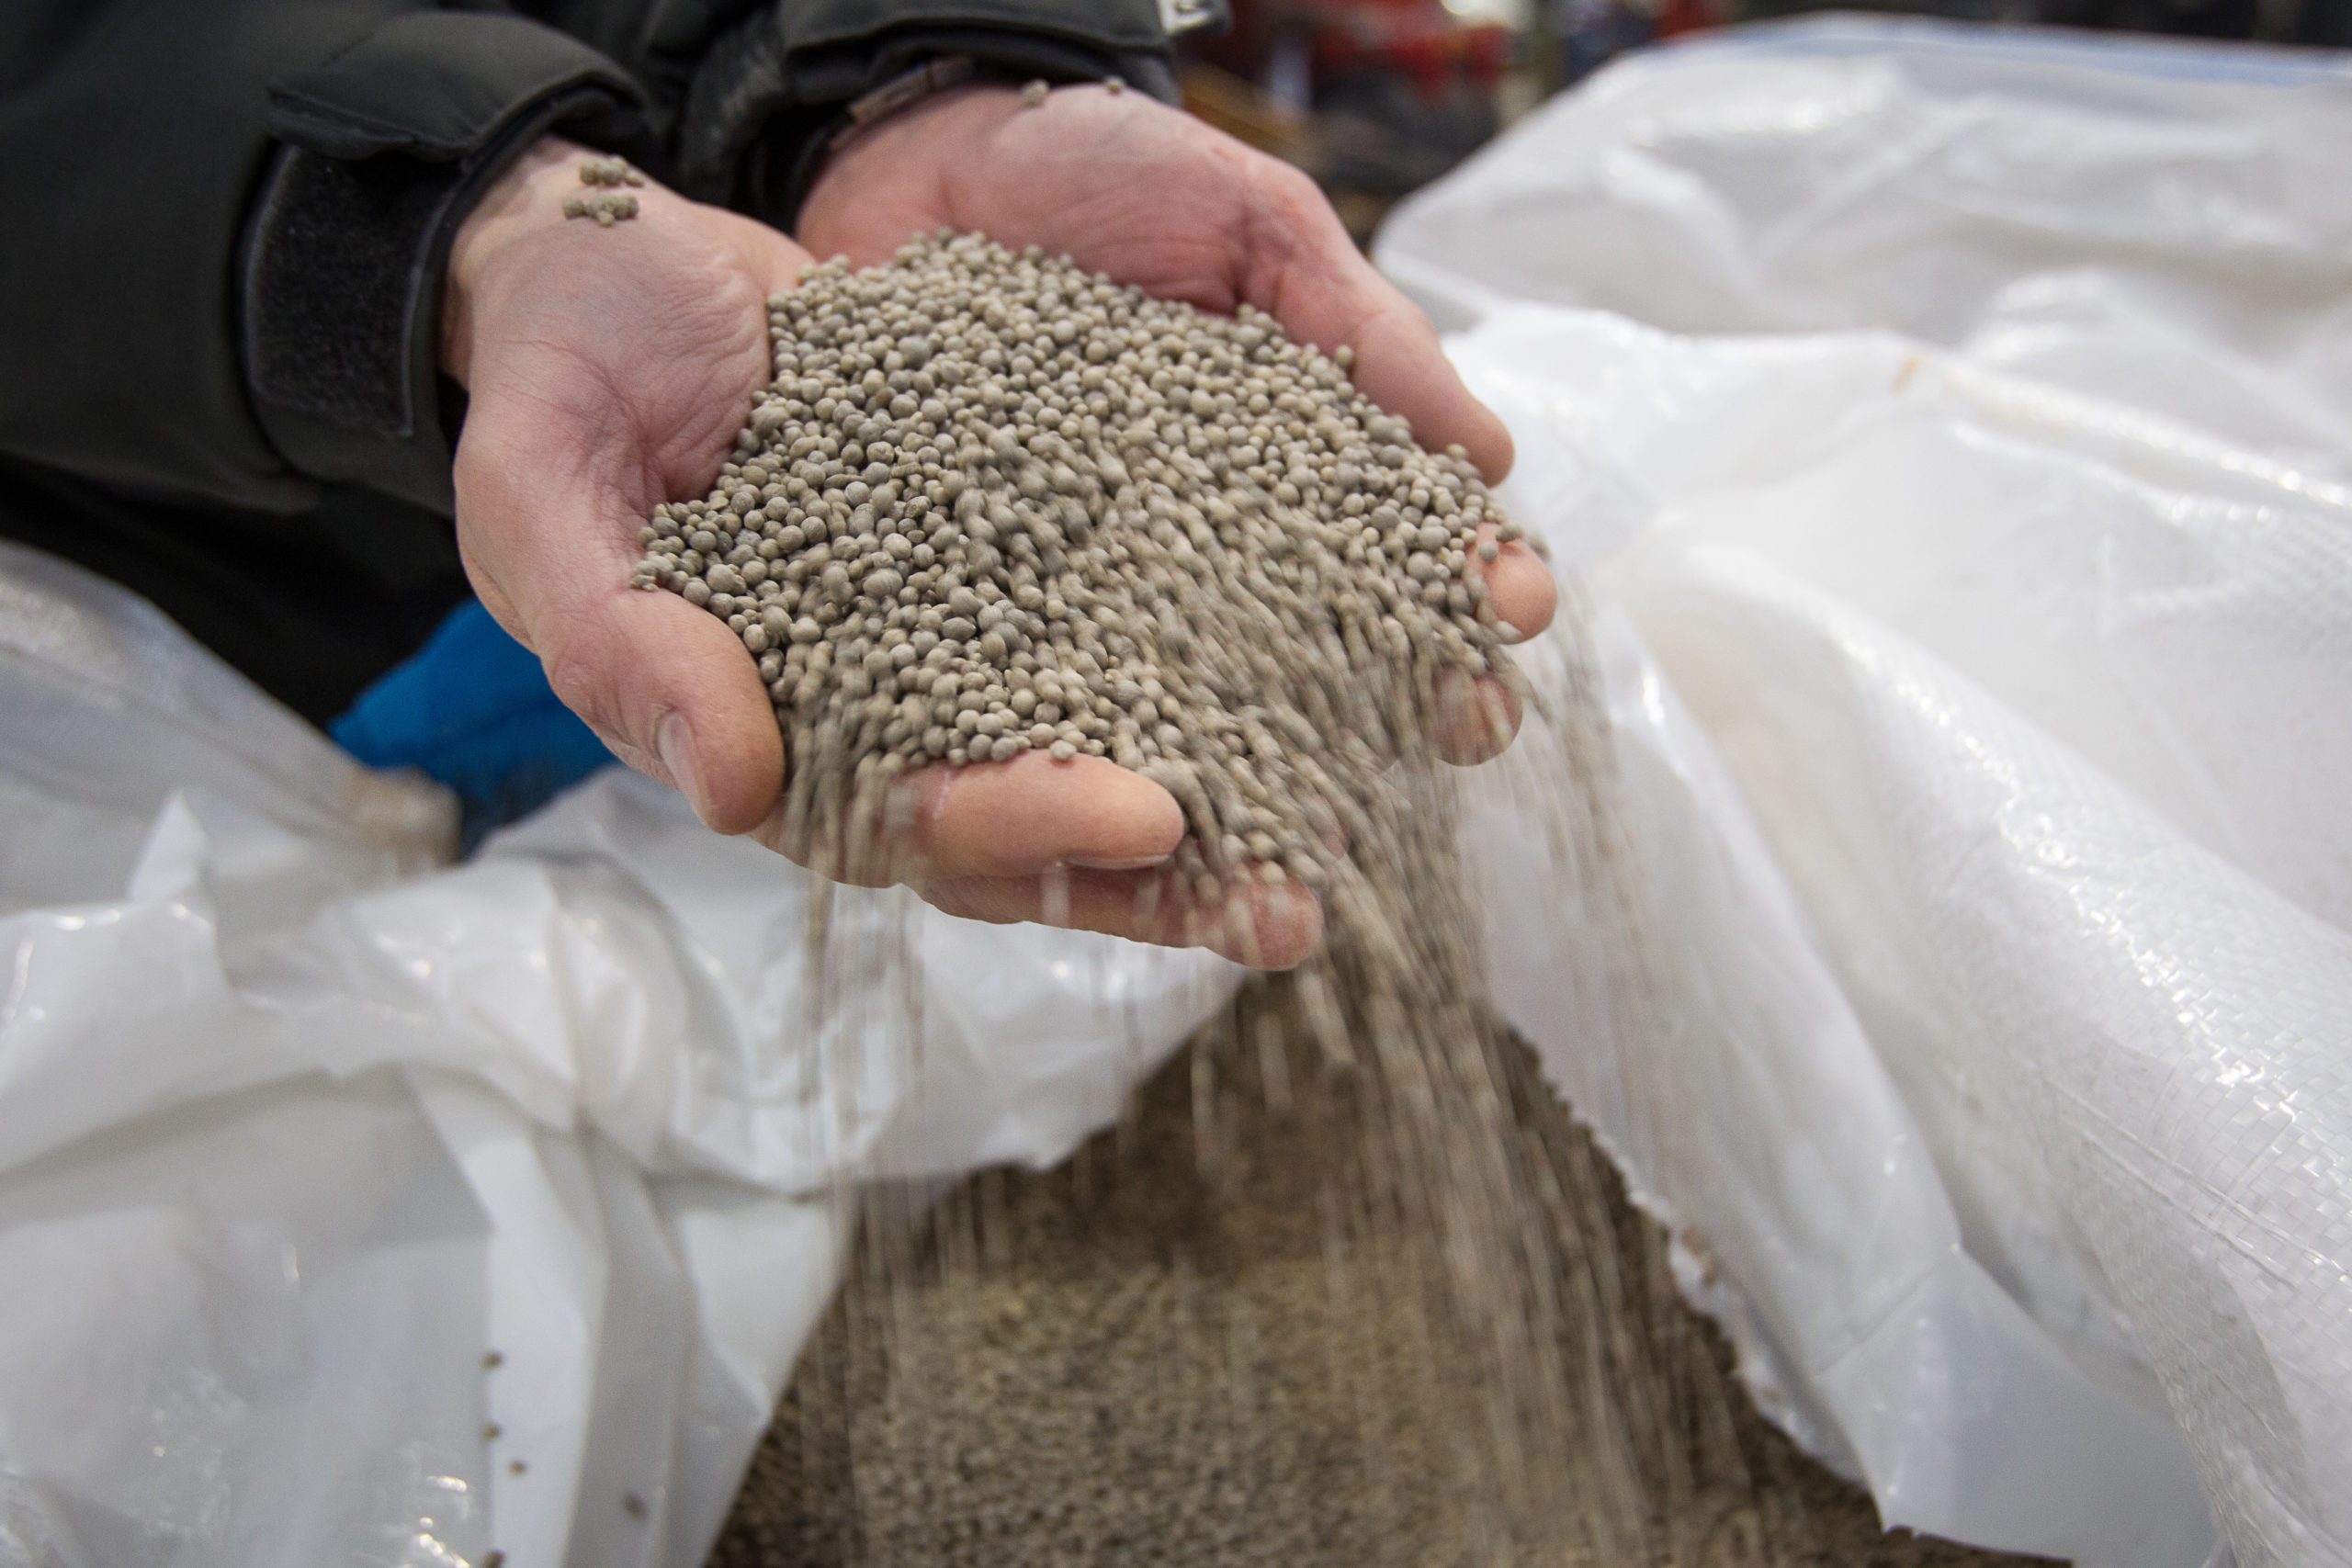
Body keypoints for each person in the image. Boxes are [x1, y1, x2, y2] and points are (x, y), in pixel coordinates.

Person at [0, 0, 1555, 968]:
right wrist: (416, 226)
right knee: (342, 867)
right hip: (178, 486)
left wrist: (922, 62)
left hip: (657, 298)